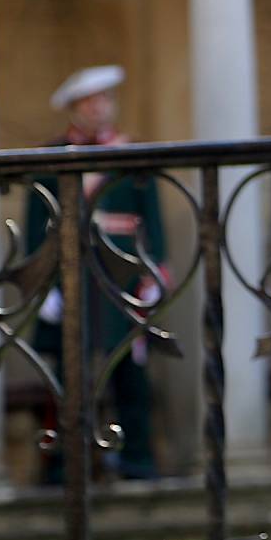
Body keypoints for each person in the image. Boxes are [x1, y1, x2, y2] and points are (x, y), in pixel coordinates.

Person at [28, 64, 169, 481]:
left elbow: (152, 220)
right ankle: (62, 466)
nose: (99, 108)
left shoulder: (132, 154)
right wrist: (46, 285)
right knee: (67, 376)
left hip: (123, 276)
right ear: (73, 108)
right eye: (89, 102)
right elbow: (39, 230)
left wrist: (153, 274)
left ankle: (137, 460)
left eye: (104, 100)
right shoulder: (50, 158)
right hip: (71, 276)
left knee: (131, 373)